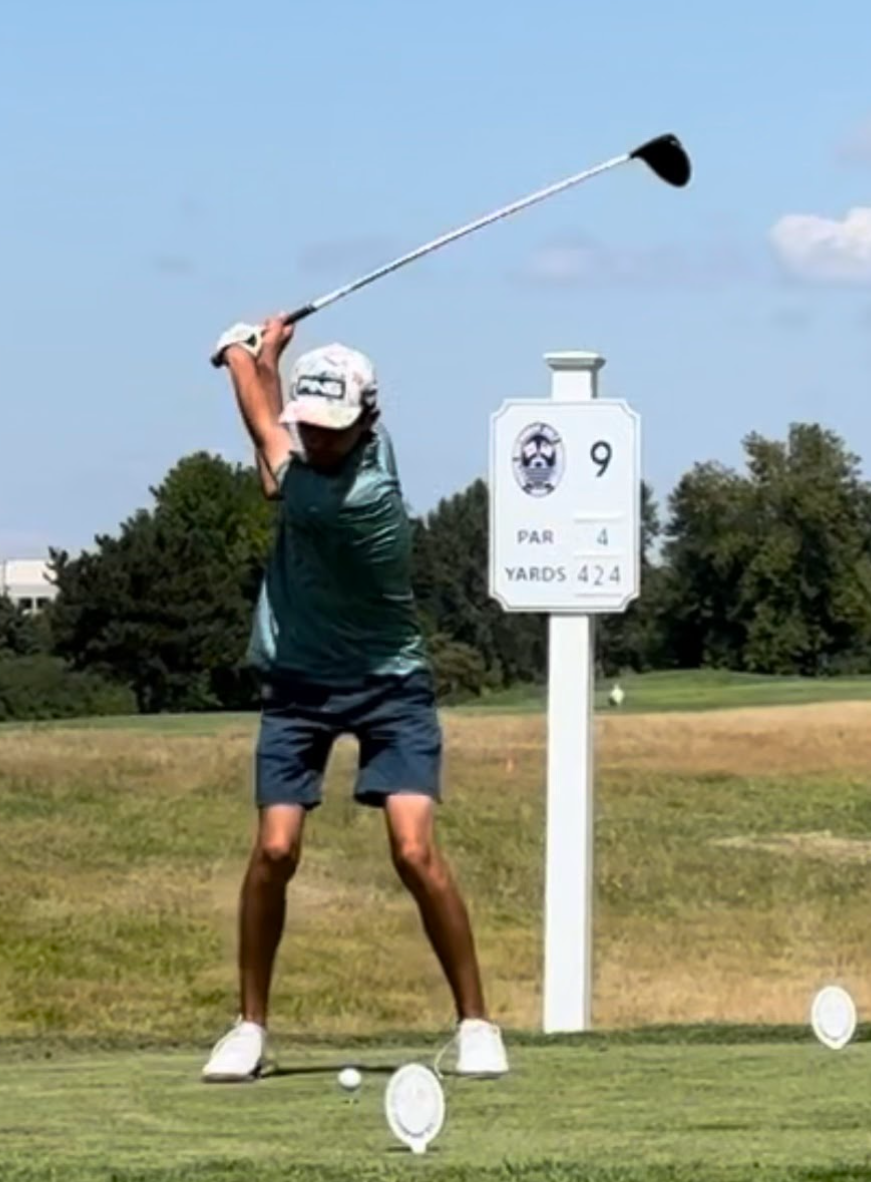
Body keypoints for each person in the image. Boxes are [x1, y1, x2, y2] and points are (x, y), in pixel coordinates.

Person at [202, 315, 509, 1082]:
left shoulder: (360, 500)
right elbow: (276, 433)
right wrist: (271, 357)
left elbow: (263, 430)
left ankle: (476, 1023)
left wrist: (238, 352)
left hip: (389, 684)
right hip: (298, 686)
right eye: (312, 425)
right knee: (274, 850)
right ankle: (249, 1028)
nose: (322, 439)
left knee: (413, 849)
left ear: (369, 419)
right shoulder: (313, 458)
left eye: (335, 427)